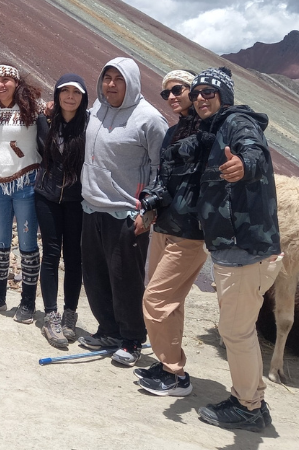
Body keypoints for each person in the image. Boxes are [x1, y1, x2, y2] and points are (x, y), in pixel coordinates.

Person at [189, 67, 283, 433]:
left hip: (246, 250)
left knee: (235, 332)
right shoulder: (213, 130)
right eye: (197, 92)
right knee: (238, 329)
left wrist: (244, 165)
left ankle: (247, 407)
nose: (200, 98)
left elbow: (253, 151)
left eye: (209, 92)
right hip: (233, 251)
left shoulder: (238, 122)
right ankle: (253, 399)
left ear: (224, 97)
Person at [79, 57, 168, 366]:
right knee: (95, 274)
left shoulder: (149, 119)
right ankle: (108, 329)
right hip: (92, 206)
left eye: (119, 79)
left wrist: (149, 209)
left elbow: (162, 168)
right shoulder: (97, 110)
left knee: (125, 278)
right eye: (107, 78)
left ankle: (132, 340)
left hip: (127, 212)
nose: (111, 85)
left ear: (132, 82)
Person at [133, 69, 209, 396]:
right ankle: (168, 364)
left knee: (155, 300)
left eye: (177, 89)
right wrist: (150, 202)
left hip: (190, 231)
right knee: (170, 304)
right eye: (166, 93)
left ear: (195, 91)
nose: (172, 97)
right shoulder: (172, 133)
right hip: (164, 225)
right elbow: (164, 176)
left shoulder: (210, 131)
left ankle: (176, 374)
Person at [0, 64, 47, 323]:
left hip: (26, 181)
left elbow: (47, 135)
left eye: (7, 79)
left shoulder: (33, 107)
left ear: (17, 82)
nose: (1, 84)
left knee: (28, 243)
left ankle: (28, 302)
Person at [35, 73, 88, 349]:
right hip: (47, 196)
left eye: (75, 92)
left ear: (83, 97)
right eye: (64, 91)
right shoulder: (44, 122)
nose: (70, 96)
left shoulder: (90, 125)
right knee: (51, 254)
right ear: (56, 95)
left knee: (74, 256)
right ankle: (51, 315)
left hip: (77, 200)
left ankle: (70, 314)